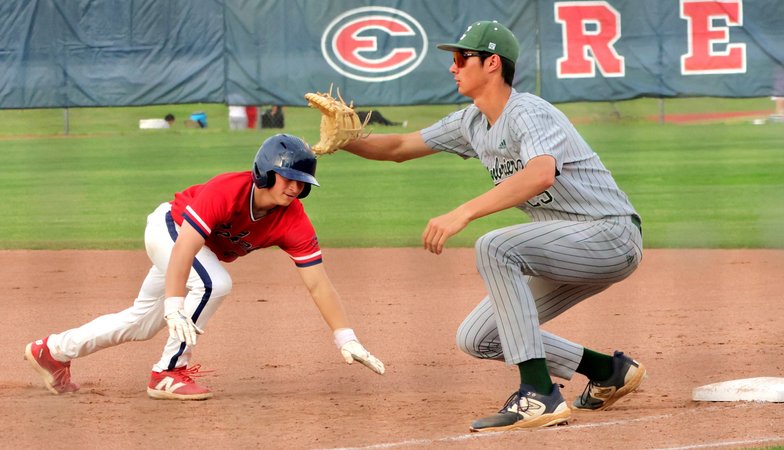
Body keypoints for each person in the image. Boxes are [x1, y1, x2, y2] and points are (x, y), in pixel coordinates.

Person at [341, 21, 645, 432]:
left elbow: (540, 174)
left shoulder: (529, 112)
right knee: (478, 337)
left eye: (461, 57)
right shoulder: (471, 121)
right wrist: (346, 140)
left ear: (492, 63)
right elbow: (398, 147)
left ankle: (538, 395)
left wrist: (463, 211)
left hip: (609, 234)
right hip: (563, 247)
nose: (453, 67)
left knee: (494, 246)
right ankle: (608, 371)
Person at [24, 134, 385, 400]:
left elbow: (318, 283)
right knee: (214, 283)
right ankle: (168, 372)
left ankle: (52, 351)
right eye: (287, 177)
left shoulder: (294, 221)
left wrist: (346, 337)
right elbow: (185, 246)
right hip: (171, 228)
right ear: (265, 172)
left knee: (141, 323)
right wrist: (174, 303)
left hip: (198, 254)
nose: (294, 187)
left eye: (302, 182)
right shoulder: (227, 190)